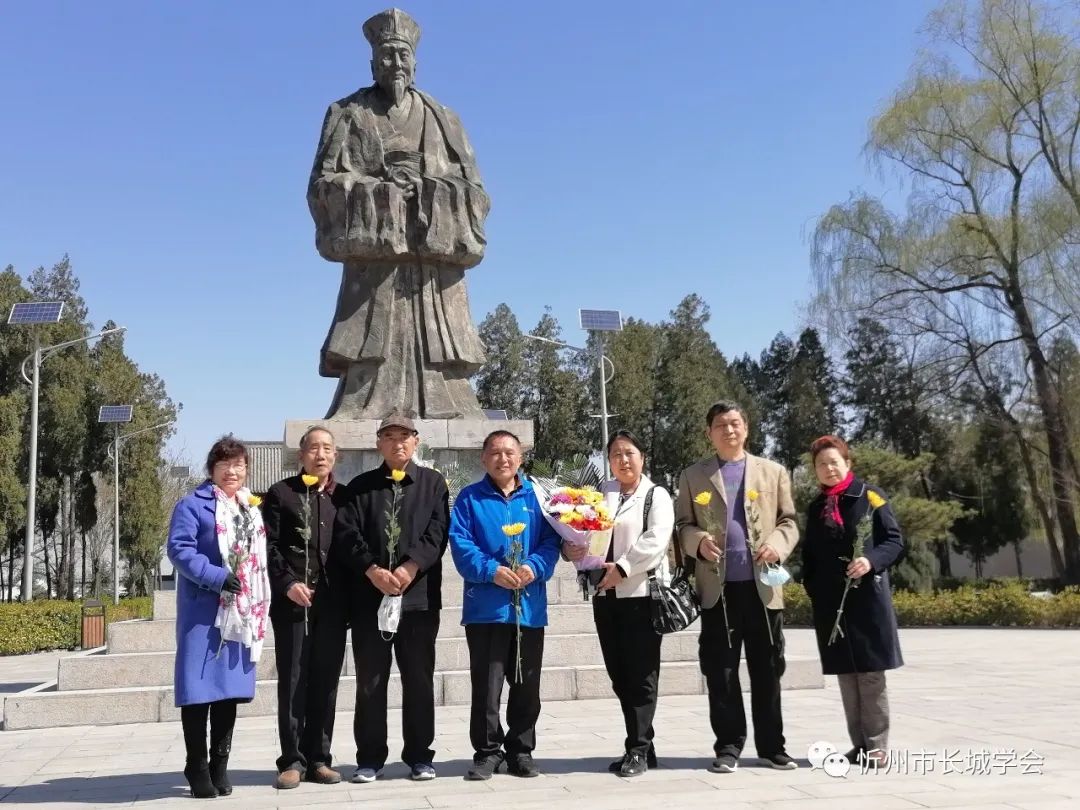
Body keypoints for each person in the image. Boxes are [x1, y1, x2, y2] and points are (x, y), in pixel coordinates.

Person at [308, 8, 490, 419]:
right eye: (386, 55)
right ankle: (362, 398)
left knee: (439, 344)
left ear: (415, 63)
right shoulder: (347, 114)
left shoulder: (444, 120)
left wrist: (428, 194)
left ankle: (446, 394)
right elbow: (322, 186)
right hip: (374, 262)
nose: (395, 63)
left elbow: (476, 193)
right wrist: (381, 194)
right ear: (373, 63)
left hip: (432, 264)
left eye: (402, 55)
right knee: (369, 340)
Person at [308, 412, 449, 784]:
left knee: (419, 679)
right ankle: (370, 758)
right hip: (369, 600)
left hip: (418, 600)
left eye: (404, 436)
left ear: (416, 441)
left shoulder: (433, 483)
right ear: (378, 444)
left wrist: (410, 568)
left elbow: (437, 533)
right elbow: (346, 535)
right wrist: (372, 570)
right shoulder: (360, 487)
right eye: (389, 436)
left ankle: (420, 756)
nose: (397, 443)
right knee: (370, 681)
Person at [675, 401, 800, 773]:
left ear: (745, 428)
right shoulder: (692, 475)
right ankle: (728, 747)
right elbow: (683, 526)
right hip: (718, 590)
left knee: (768, 668)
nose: (728, 430)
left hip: (763, 589)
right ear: (709, 433)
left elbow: (789, 521)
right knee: (721, 672)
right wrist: (698, 542)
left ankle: (772, 747)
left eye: (734, 423)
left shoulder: (773, 471)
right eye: (720, 425)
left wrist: (776, 545)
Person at [449, 430, 562, 780]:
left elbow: (551, 541)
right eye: (495, 452)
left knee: (527, 685)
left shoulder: (538, 498)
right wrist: (491, 571)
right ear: (484, 458)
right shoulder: (469, 499)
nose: (503, 459)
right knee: (487, 685)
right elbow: (461, 545)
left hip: (528, 608)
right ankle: (487, 751)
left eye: (510, 452)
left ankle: (520, 750)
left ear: (521, 458)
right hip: (486, 610)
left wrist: (533, 567)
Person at [167, 436, 271, 798]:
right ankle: (196, 765)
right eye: (224, 464)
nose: (232, 471)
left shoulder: (249, 507)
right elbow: (179, 549)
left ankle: (219, 765)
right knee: (198, 691)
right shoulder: (192, 505)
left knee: (228, 691)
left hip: (240, 613)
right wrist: (216, 576)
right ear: (211, 468)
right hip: (203, 612)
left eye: (239, 464)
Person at [574, 429, 674, 777]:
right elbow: (586, 535)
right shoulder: (603, 495)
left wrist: (623, 568)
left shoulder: (656, 495)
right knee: (619, 675)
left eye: (629, 453)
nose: (623, 460)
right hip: (606, 596)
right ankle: (644, 743)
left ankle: (638, 749)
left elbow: (656, 540)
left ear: (642, 457)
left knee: (641, 675)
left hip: (640, 596)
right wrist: (575, 550)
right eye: (616, 454)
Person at [803, 435, 904, 766]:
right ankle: (859, 744)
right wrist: (814, 587)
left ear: (847, 463)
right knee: (847, 674)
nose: (828, 468)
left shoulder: (870, 497)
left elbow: (894, 541)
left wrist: (870, 560)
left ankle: (877, 745)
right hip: (832, 603)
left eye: (834, 462)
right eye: (821, 464)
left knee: (871, 673)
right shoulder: (817, 507)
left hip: (867, 599)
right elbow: (810, 555)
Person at [262, 426, 348, 788]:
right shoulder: (281, 494)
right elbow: (268, 547)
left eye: (327, 448)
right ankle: (292, 760)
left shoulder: (345, 497)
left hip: (333, 606)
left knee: (327, 682)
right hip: (294, 606)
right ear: (301, 455)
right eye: (314, 448)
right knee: (294, 680)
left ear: (336, 455)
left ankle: (319, 759)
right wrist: (288, 584)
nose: (320, 454)